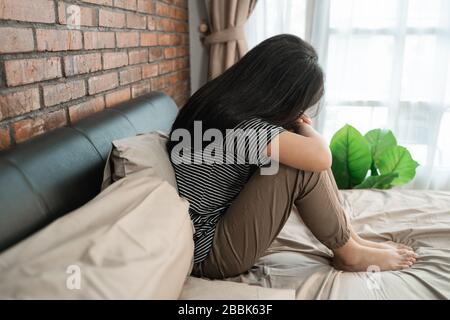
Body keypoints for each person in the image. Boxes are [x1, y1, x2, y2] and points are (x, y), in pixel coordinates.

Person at [167, 34, 417, 280]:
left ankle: (351, 239)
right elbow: (320, 157)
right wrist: (301, 124)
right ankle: (349, 253)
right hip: (210, 254)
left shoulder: (219, 102)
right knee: (297, 166)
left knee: (299, 156)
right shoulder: (243, 126)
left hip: (212, 233)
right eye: (299, 103)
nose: (300, 110)